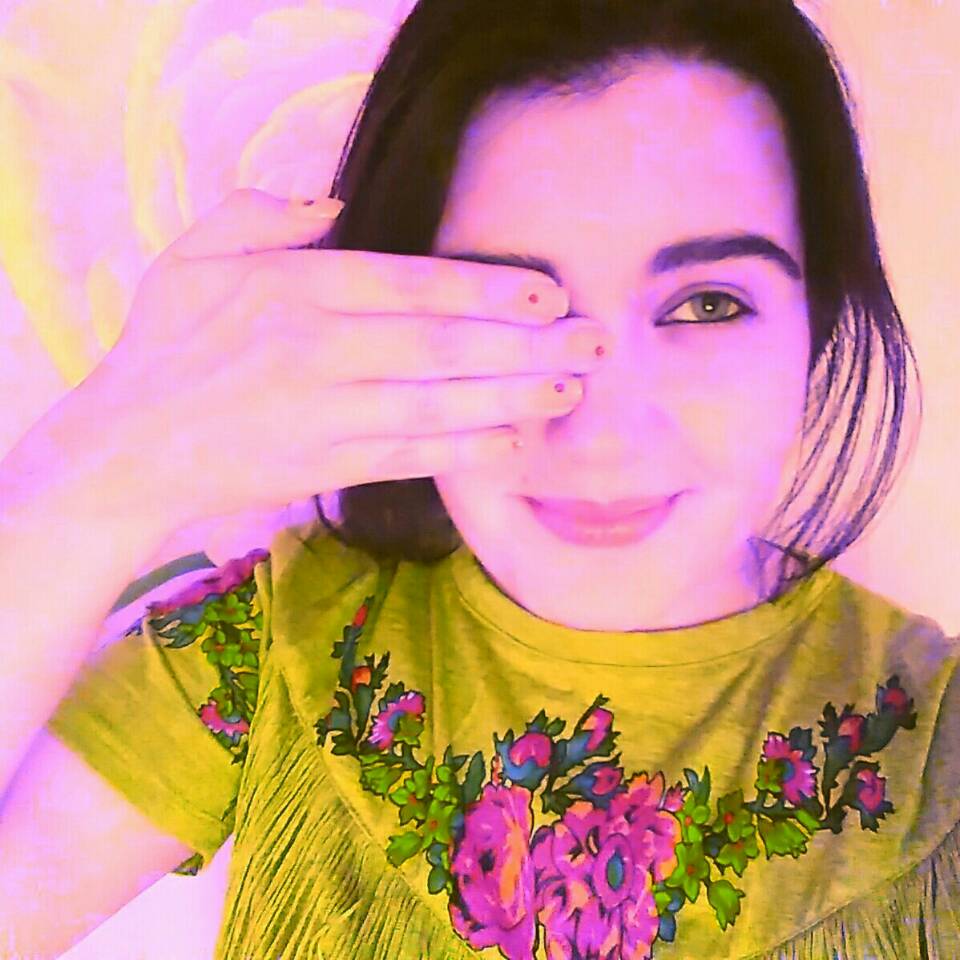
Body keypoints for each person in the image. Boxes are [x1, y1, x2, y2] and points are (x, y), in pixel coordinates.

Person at [0, 1, 955, 958]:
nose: (601, 431)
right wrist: (105, 464)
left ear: (819, 322)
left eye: (708, 304)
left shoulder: (938, 749)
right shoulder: (269, 648)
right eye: (512, 309)